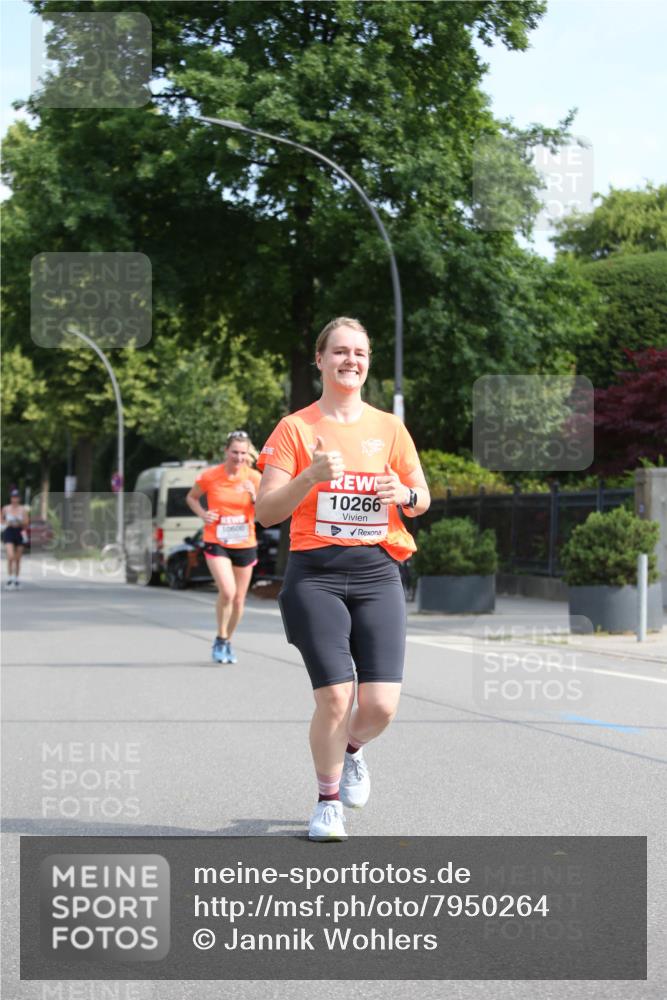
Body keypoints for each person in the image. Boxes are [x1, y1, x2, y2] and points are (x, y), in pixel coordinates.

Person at [256, 317, 430, 841]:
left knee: (379, 705)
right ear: (320, 360)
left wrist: (405, 497)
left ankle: (352, 751)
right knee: (335, 696)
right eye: (339, 352)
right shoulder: (295, 428)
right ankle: (327, 801)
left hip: (378, 571)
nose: (350, 360)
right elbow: (266, 511)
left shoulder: (389, 429)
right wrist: (309, 477)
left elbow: (421, 497)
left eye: (359, 352)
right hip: (317, 575)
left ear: (368, 361)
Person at [186, 432, 262, 664]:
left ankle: (227, 640)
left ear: (248, 453)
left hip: (245, 541)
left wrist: (254, 496)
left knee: (239, 599)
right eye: (235, 452)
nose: (239, 457)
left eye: (243, 453)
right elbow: (191, 498)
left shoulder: (255, 477)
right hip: (217, 540)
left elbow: (264, 514)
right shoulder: (211, 476)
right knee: (227, 592)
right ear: (226, 452)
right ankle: (220, 636)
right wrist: (203, 514)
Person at [2, 488, 29, 589]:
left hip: (19, 532)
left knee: (17, 558)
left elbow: (26, 523)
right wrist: (6, 523)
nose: (14, 499)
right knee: (10, 556)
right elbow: (1, 521)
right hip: (9, 531)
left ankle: (16, 579)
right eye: (13, 497)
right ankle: (9, 579)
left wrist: (19, 521)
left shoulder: (23, 509)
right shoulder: (5, 508)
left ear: (19, 499)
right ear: (11, 498)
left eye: (16, 497)